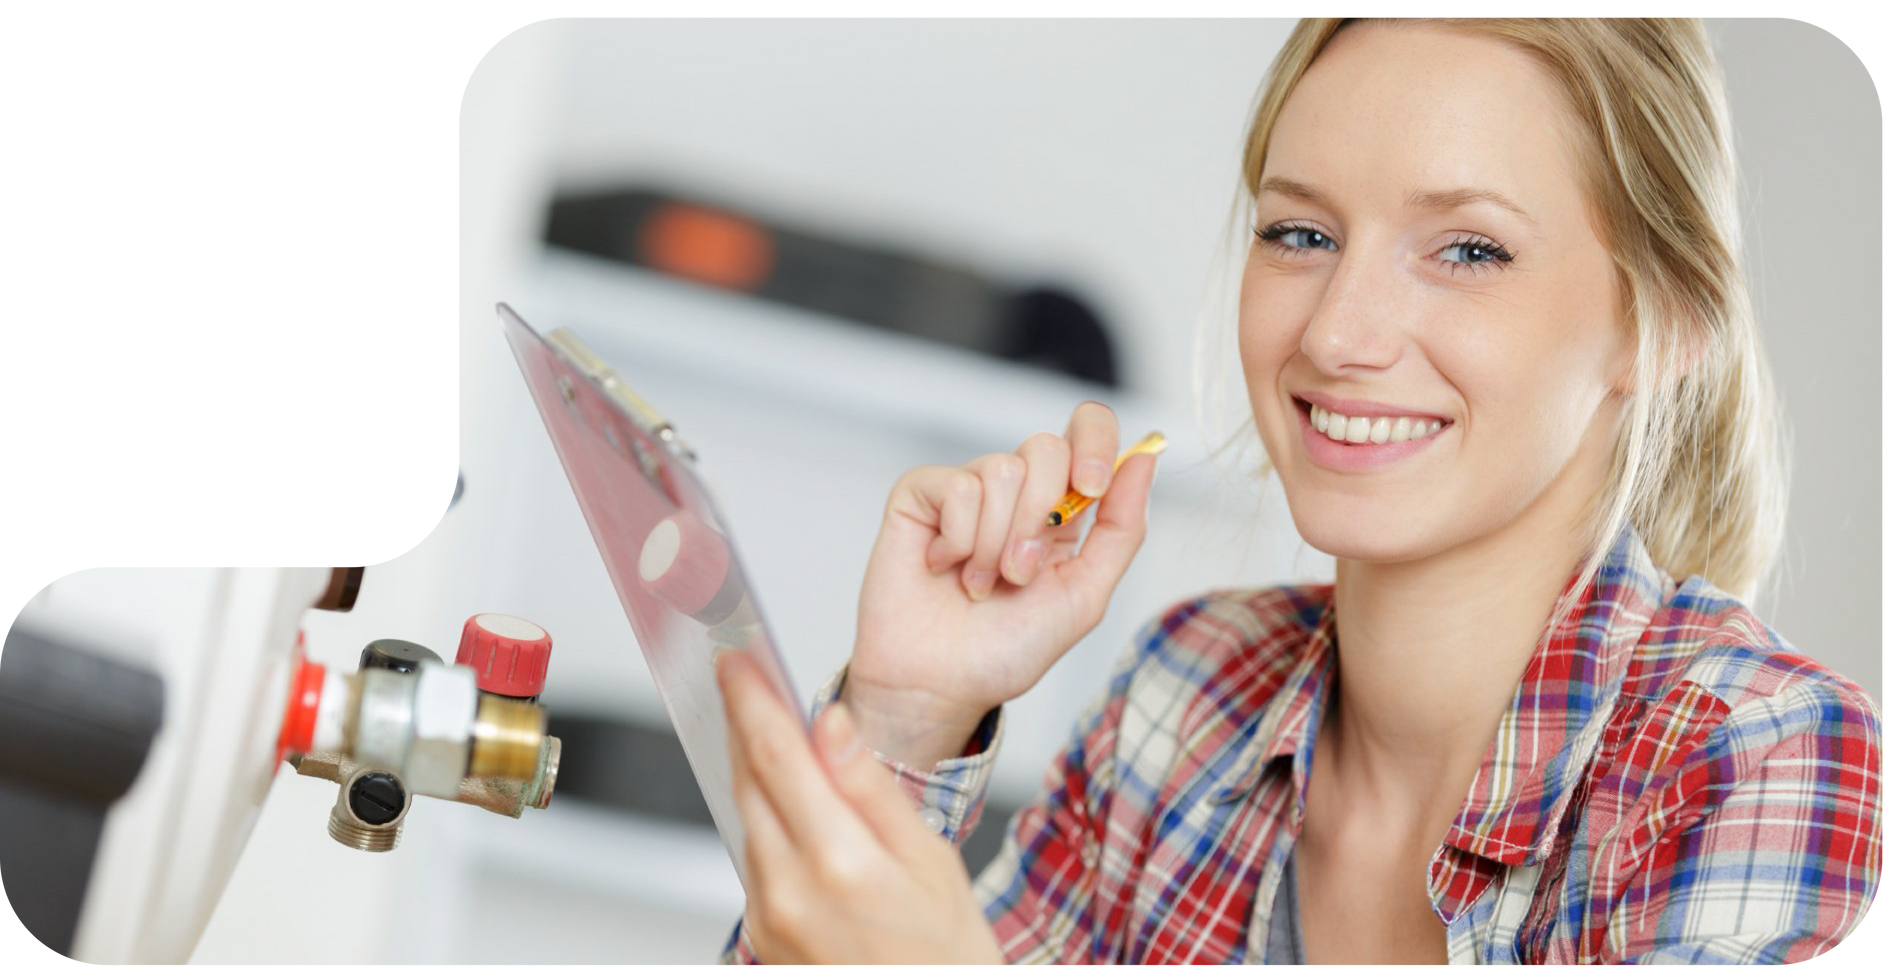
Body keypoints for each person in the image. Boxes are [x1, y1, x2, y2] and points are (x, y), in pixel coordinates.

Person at [713, 16, 1884, 966]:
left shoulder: (1763, 763)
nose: (1337, 333)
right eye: (1300, 233)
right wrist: (906, 721)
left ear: (1666, 323)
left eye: (1468, 250)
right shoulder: (1183, 703)